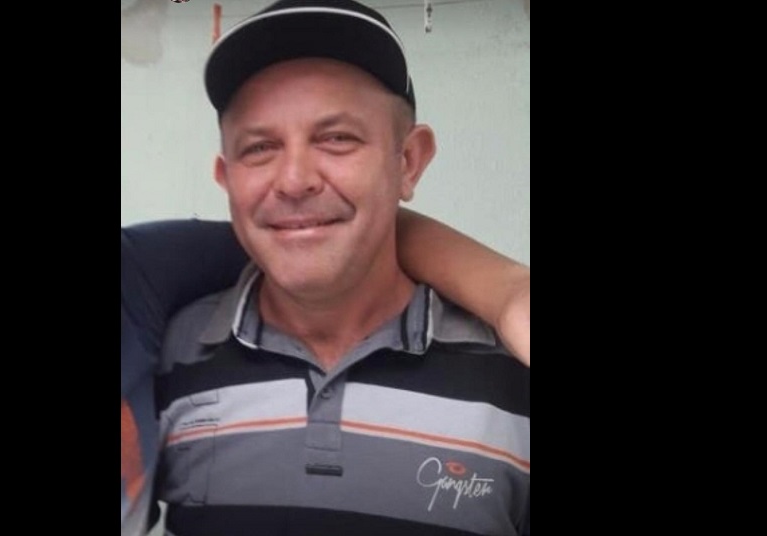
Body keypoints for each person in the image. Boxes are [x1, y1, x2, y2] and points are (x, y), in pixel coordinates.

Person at [151, 0, 530, 534]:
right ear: (226, 177)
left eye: (337, 139)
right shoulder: (166, 355)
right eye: (260, 147)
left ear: (408, 162)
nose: (294, 180)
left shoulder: (514, 372)